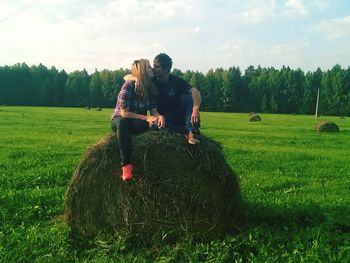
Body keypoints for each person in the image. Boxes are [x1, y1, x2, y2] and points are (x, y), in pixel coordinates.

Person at [125, 53, 201, 144]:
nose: (153, 68)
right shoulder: (152, 80)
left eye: (157, 67)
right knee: (158, 126)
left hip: (179, 114)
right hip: (163, 117)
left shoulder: (176, 81)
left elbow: (195, 91)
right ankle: (184, 130)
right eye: (153, 66)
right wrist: (137, 78)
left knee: (189, 98)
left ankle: (192, 132)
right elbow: (126, 77)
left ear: (166, 70)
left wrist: (195, 109)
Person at [111, 59, 165, 181]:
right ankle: (126, 165)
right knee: (122, 122)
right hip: (120, 120)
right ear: (142, 71)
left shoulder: (152, 88)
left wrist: (158, 117)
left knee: (156, 126)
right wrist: (146, 118)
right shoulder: (129, 85)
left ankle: (150, 163)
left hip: (136, 121)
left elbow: (153, 110)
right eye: (149, 67)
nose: (152, 69)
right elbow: (124, 113)